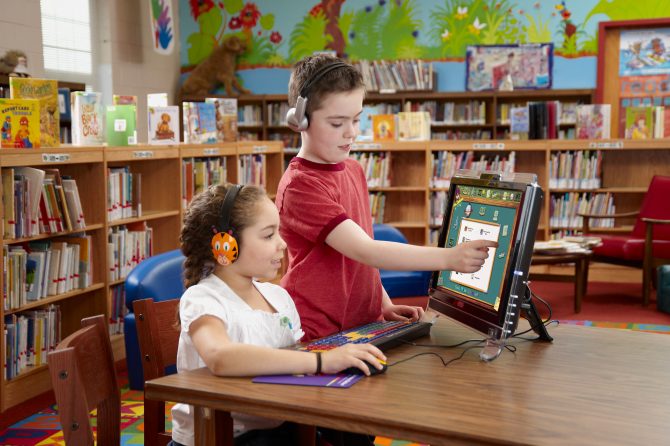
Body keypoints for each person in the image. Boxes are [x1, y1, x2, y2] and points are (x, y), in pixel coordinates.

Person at [277, 54, 497, 342]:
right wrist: (449, 258)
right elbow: (364, 250)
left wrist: (384, 303)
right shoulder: (301, 185)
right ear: (300, 120)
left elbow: (360, 258)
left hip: (361, 322)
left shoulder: (353, 169)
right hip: (317, 329)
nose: (351, 133)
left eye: (356, 120)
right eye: (336, 123)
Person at [170, 183, 386, 446]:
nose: (282, 244)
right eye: (268, 235)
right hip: (222, 435)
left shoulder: (278, 297)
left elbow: (292, 363)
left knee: (354, 434)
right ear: (225, 244)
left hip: (276, 424)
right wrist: (322, 362)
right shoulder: (203, 298)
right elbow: (220, 357)